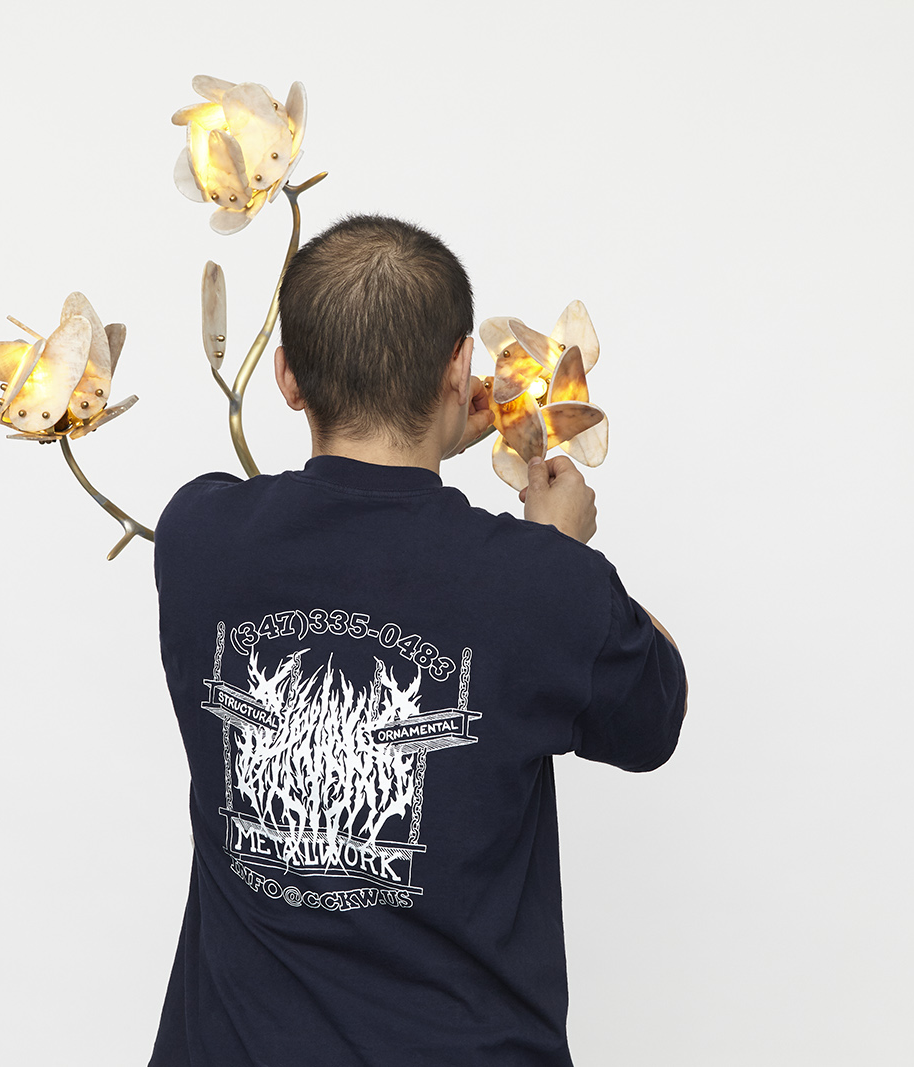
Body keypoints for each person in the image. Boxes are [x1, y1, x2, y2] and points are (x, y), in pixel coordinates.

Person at [148, 214, 687, 1066]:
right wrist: (561, 548)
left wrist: (427, 437)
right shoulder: (541, 584)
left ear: (288, 378)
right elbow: (655, 714)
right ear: (460, 369)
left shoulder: (197, 536)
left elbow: (335, 529)